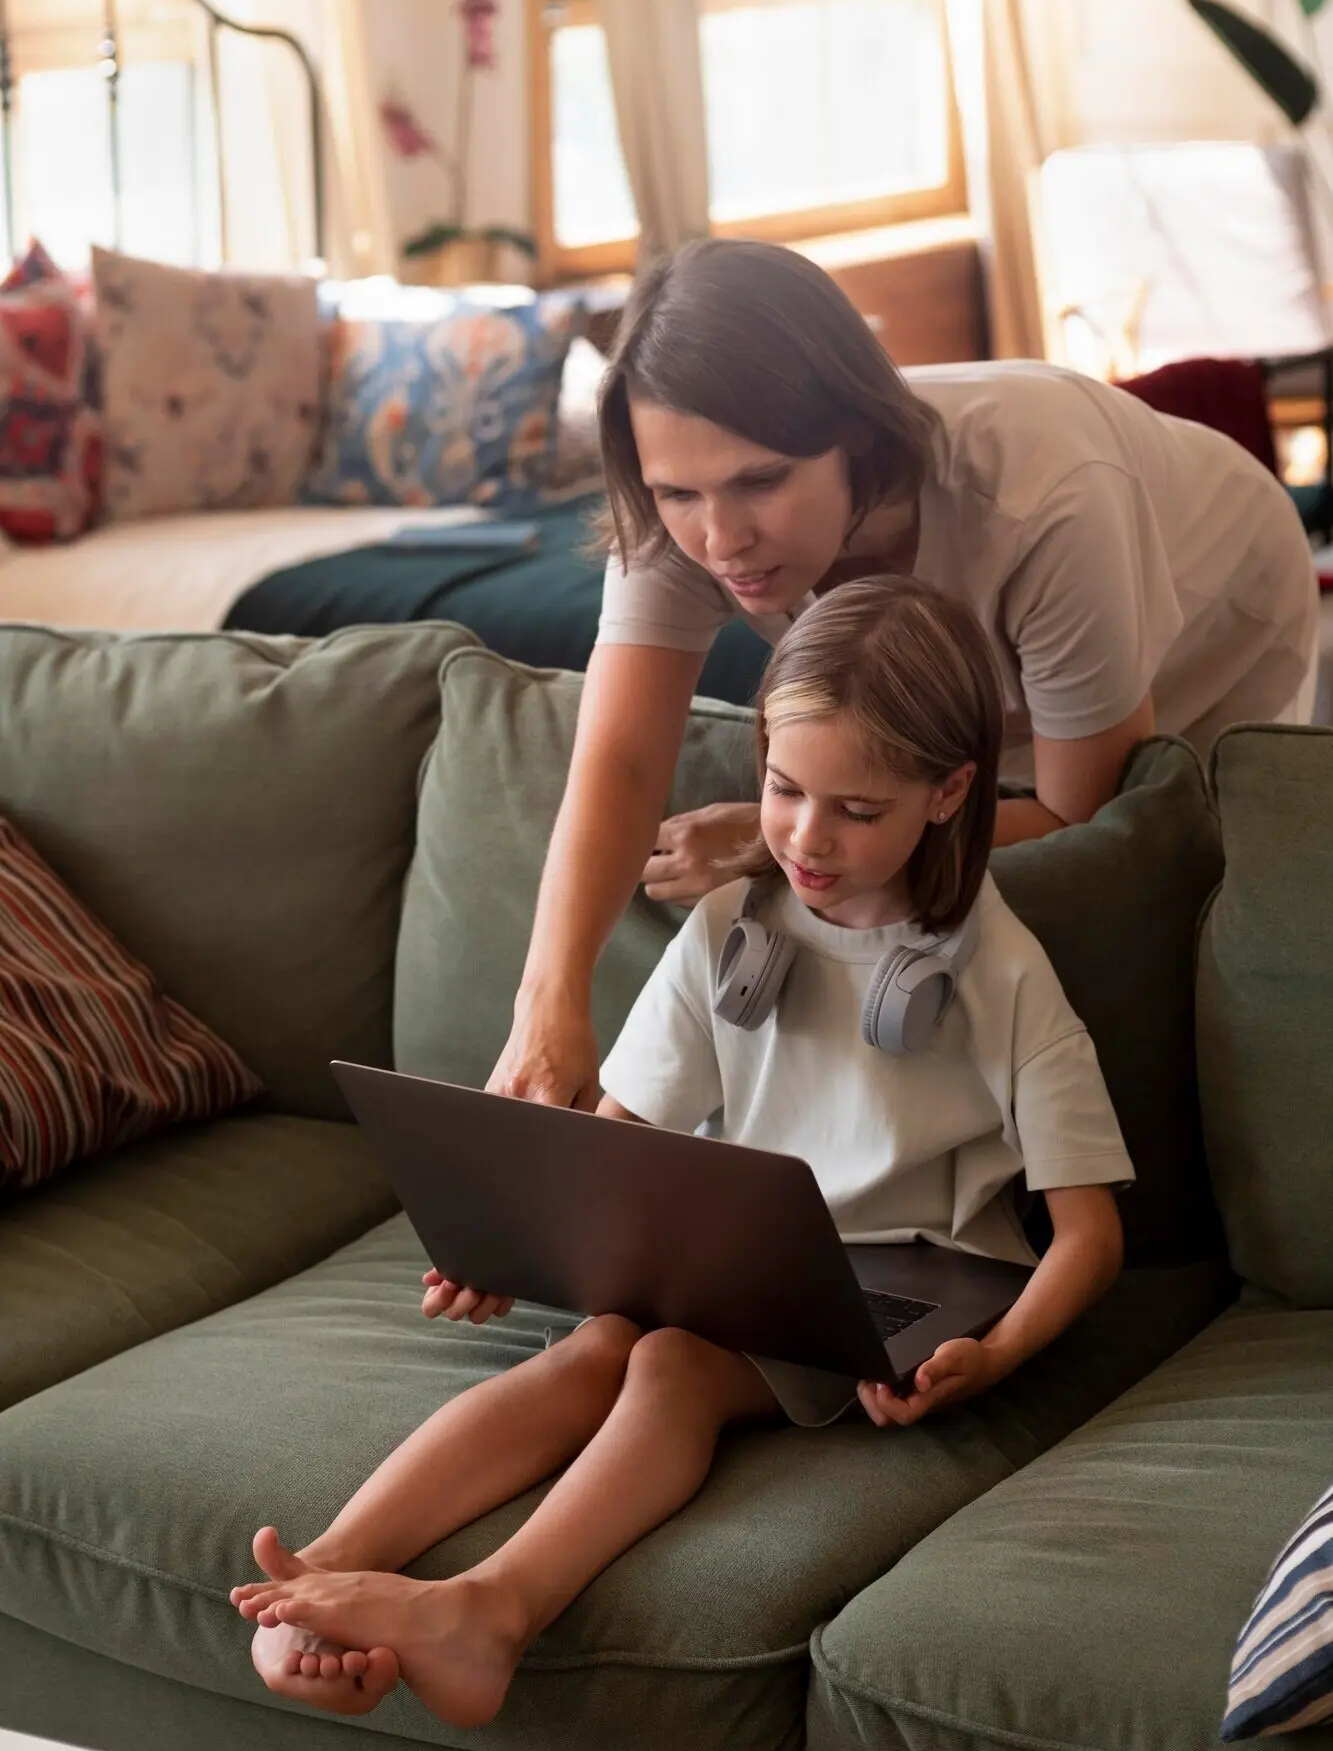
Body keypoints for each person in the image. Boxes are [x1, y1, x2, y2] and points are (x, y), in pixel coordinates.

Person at [230, 577, 1132, 1730]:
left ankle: (489, 1610)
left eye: (856, 809)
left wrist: (995, 1356)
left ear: (950, 791)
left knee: (664, 1365)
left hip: (912, 1286)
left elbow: (1090, 1232)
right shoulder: (730, 930)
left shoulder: (999, 968)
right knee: (598, 1339)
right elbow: (624, 1141)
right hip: (738, 1253)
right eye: (783, 788)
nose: (806, 836)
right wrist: (531, 1246)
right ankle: (315, 1576)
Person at [495, 237, 1317, 1113]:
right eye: (677, 494)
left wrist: (770, 843)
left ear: (854, 436)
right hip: (982, 660)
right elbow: (618, 761)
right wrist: (545, 1007)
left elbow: (1081, 816)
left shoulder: (1045, 499)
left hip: (1215, 603)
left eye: (761, 481)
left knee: (1145, 860)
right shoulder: (685, 518)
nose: (719, 539)